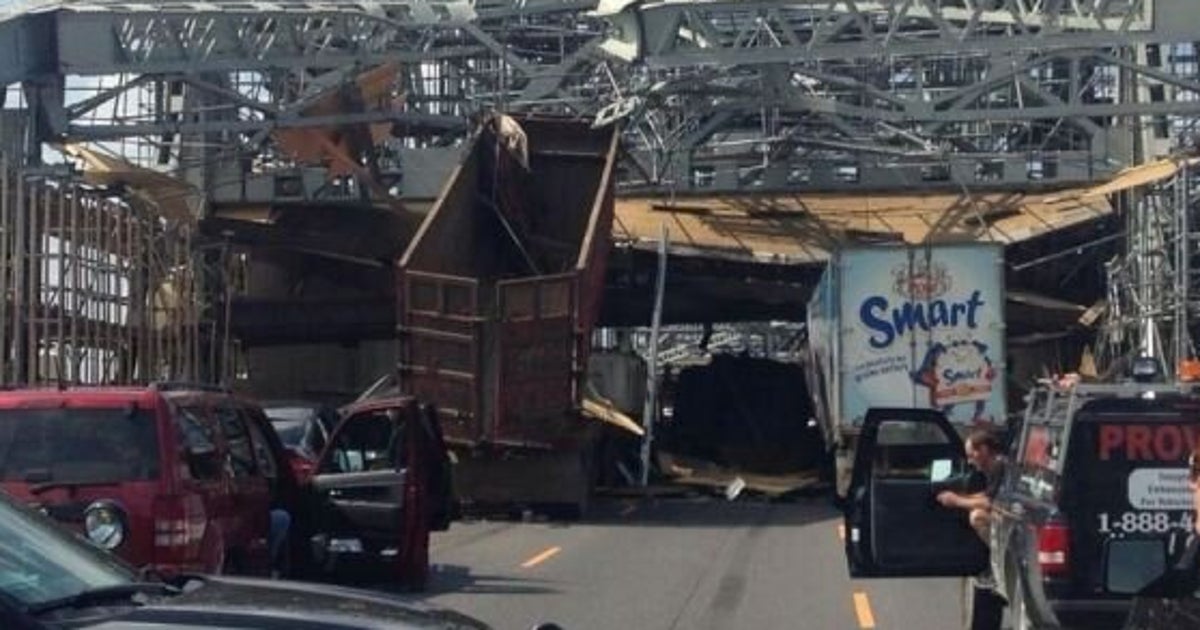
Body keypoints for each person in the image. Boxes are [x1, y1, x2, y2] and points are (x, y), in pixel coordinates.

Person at [936, 427, 1008, 541]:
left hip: (1011, 517)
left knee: (978, 516)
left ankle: (1001, 556)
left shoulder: (998, 467)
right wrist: (962, 496)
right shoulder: (997, 466)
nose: (969, 462)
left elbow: (989, 502)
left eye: (971, 455)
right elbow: (988, 495)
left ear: (983, 450)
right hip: (1006, 512)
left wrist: (956, 501)